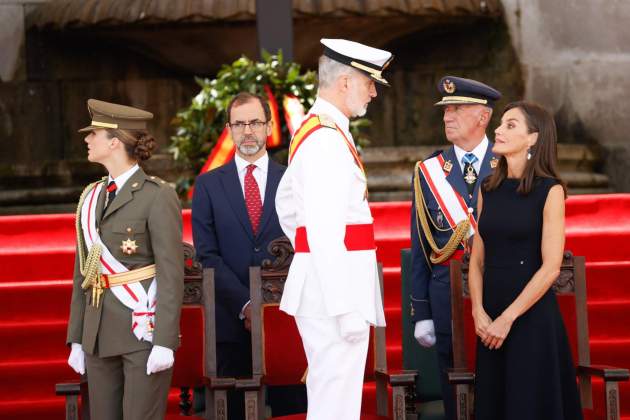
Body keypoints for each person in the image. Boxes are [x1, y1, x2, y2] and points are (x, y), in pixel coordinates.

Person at [275, 38, 392, 419]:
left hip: (328, 287)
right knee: (335, 402)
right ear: (345, 82)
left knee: (334, 398)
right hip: (334, 296)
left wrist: (309, 253)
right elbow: (323, 230)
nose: (373, 92)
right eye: (369, 83)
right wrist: (344, 307)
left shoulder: (321, 131)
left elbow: (287, 207)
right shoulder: (325, 139)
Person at [66, 99, 184, 420]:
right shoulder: (90, 197)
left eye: (94, 134)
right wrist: (76, 338)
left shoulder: (157, 195)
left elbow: (172, 274)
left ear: (114, 141)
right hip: (98, 333)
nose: (87, 140)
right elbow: (84, 274)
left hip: (141, 330)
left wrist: (164, 341)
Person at [192, 92, 305, 418]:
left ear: (269, 127)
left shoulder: (293, 180)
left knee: (293, 410)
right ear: (229, 130)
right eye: (239, 124)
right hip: (229, 322)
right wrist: (245, 305)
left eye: (255, 122)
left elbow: (305, 245)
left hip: (286, 318)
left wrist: (273, 304)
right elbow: (206, 256)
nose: (248, 131)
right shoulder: (208, 186)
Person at [469, 101, 582, 419]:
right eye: (501, 124)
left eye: (510, 125)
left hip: (530, 317)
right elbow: (477, 260)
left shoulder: (551, 191)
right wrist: (479, 310)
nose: (498, 130)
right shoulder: (487, 189)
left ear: (533, 138)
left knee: (528, 405)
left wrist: (509, 318)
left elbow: (551, 267)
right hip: (490, 320)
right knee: (496, 404)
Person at [409, 76, 501, 419]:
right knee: (456, 397)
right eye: (446, 110)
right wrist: (422, 314)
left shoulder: (509, 162)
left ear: (483, 116)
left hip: (499, 295)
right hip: (446, 298)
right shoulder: (429, 171)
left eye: (457, 109)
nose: (447, 116)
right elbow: (420, 245)